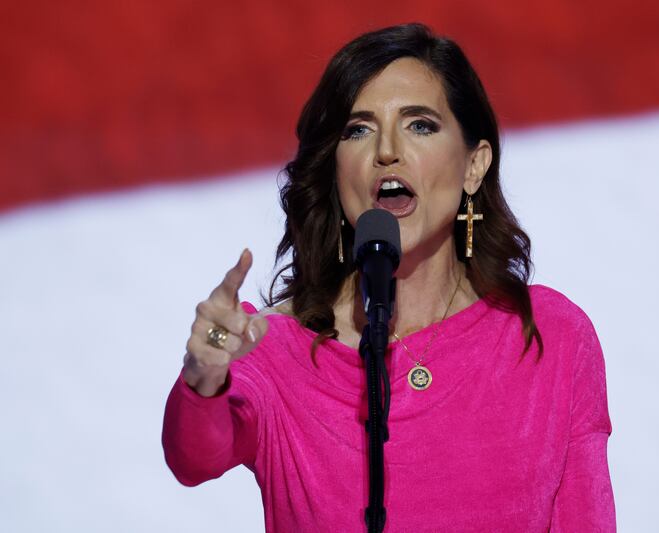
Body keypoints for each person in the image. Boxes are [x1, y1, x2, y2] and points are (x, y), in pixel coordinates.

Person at [162, 23, 615, 532]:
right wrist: (204, 374)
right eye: (358, 129)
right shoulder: (272, 346)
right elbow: (194, 458)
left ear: (474, 165)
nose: (386, 152)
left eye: (420, 124)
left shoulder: (548, 336)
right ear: (336, 171)